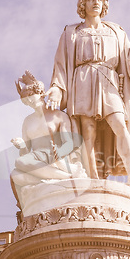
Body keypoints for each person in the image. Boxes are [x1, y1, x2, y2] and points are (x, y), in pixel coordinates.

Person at [45, 0, 130, 185]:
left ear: (104, 4)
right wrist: (56, 88)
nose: (96, 2)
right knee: (87, 130)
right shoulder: (72, 32)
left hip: (108, 80)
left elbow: (129, 59)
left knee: (120, 124)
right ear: (83, 4)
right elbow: (61, 65)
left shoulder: (116, 31)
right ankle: (92, 177)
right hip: (83, 80)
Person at [10, 71, 86, 210]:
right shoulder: (27, 121)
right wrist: (21, 146)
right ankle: (61, 180)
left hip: (55, 157)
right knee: (15, 176)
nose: (29, 101)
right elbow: (26, 151)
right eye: (25, 99)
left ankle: (66, 176)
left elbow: (69, 143)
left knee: (19, 163)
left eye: (30, 96)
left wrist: (60, 152)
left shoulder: (58, 116)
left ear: (40, 93)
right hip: (37, 159)